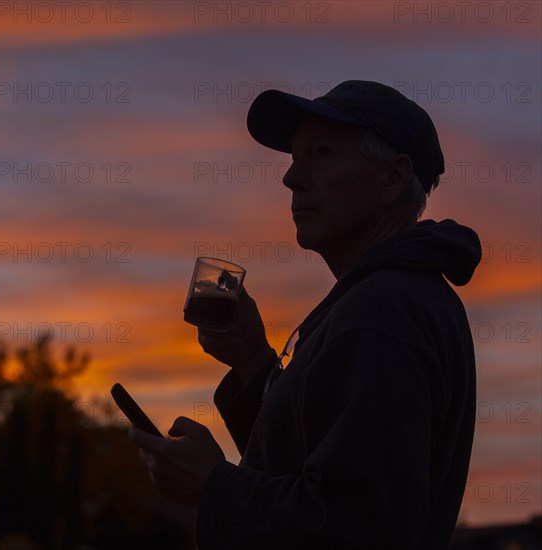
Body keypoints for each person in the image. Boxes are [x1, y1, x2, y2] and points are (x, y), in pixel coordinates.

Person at [129, 80, 482, 549]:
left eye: (323, 153)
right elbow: (316, 469)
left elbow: (357, 528)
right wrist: (255, 364)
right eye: (295, 158)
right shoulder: (387, 299)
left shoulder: (382, 312)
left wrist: (213, 486)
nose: (291, 178)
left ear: (393, 179)